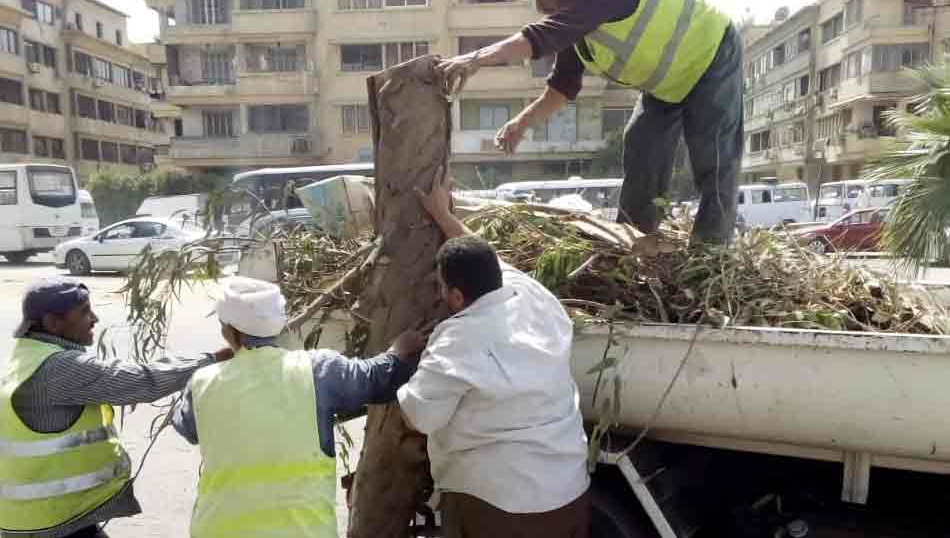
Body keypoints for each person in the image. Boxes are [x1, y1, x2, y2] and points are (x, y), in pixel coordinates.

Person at [437, 0, 743, 244]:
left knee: (713, 155)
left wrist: (475, 58)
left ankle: (710, 253)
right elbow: (562, 87)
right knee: (641, 144)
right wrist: (521, 124)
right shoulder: (578, 23)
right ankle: (635, 238)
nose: (540, 7)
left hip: (711, 54)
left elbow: (543, 36)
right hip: (668, 83)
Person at [397, 167, 590, 538]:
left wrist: (398, 358)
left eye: (441, 288)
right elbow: (491, 257)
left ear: (455, 296)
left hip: (498, 504)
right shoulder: (533, 297)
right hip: (567, 491)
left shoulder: (457, 339)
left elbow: (417, 417)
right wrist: (443, 215)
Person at [171, 276, 427, 538]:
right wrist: (398, 351)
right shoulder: (317, 370)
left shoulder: (202, 382)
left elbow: (188, 428)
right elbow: (375, 380)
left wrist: (216, 361)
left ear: (228, 331)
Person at [0, 278, 231, 538]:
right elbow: (143, 380)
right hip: (51, 525)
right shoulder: (59, 368)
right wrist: (213, 359)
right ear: (54, 323)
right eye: (84, 312)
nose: (94, 318)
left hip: (42, 520)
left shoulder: (28, 356)